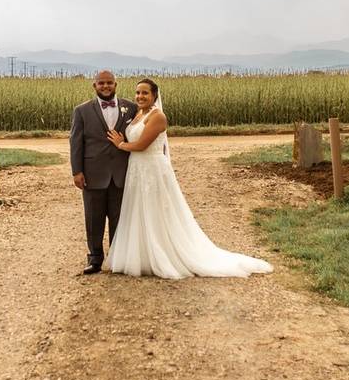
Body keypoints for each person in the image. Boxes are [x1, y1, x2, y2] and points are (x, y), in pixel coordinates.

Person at [105, 79, 273, 279]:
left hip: (152, 169)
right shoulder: (138, 114)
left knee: (155, 211)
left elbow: (141, 145)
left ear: (155, 96)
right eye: (138, 93)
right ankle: (140, 256)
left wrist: (120, 144)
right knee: (138, 209)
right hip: (137, 169)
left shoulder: (158, 117)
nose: (140, 96)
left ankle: (162, 254)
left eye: (145, 93)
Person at [69, 70, 138, 274]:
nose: (105, 86)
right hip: (93, 173)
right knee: (93, 218)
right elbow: (76, 142)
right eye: (101, 83)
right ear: (94, 86)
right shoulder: (81, 110)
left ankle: (118, 259)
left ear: (116, 85)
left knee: (120, 218)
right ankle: (95, 259)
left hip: (121, 173)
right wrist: (77, 171)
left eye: (109, 83)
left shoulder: (131, 108)